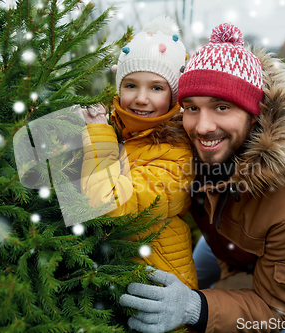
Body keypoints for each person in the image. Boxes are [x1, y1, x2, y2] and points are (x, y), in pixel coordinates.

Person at [119, 23, 285, 333]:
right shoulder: (185, 139)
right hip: (222, 238)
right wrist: (73, 128)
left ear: (255, 112)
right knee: (194, 282)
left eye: (222, 107)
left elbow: (275, 308)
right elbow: (136, 121)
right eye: (192, 107)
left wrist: (192, 307)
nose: (203, 126)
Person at [78, 16, 198, 290]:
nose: (141, 98)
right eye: (131, 85)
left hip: (157, 288)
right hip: (108, 283)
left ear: (174, 95)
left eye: (156, 88)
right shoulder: (112, 127)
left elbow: (110, 206)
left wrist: (97, 135)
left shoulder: (176, 153)